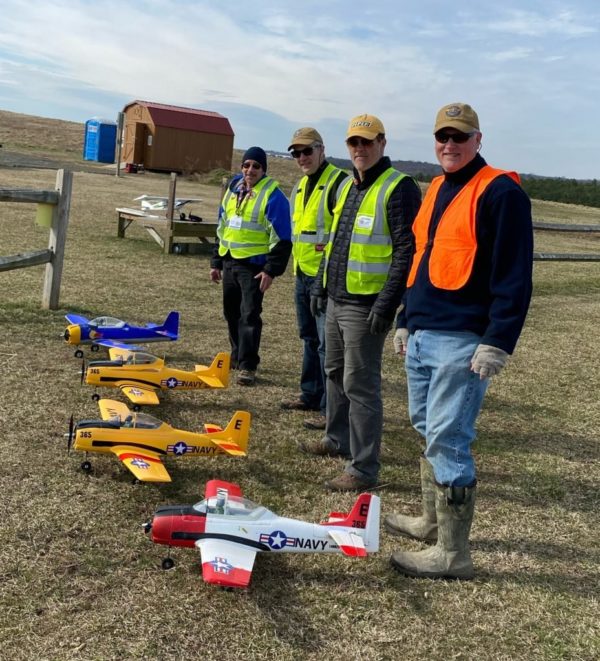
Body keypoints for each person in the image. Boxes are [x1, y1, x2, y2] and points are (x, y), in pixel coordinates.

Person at [386, 102, 533, 580]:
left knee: (449, 440)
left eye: (460, 136)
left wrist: (498, 341)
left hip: (463, 340)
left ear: (478, 139)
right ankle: (431, 522)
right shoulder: (436, 189)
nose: (449, 145)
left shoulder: (500, 193)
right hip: (424, 333)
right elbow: (423, 259)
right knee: (427, 428)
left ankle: (453, 554)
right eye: (442, 136)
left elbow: (515, 274)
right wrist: (407, 316)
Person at [299, 114, 421, 491]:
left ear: (382, 143)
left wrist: (387, 305)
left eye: (367, 142)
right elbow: (336, 242)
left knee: (360, 384)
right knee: (334, 372)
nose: (359, 149)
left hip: (365, 306)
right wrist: (321, 285)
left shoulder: (398, 187)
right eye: (354, 143)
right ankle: (337, 440)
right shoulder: (350, 185)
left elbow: (406, 251)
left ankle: (364, 468)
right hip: (336, 299)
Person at [280, 127, 347, 430]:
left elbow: (341, 236)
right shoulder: (299, 187)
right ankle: (310, 393)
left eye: (307, 151)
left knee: (326, 346)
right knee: (308, 338)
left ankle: (328, 408)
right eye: (296, 153)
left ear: (322, 149)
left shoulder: (339, 183)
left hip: (325, 279)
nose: (302, 157)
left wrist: (324, 276)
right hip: (302, 274)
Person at [210, 147, 292, 386]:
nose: (250, 170)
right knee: (231, 313)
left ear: (263, 169)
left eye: (256, 166)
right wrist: (216, 262)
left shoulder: (273, 195)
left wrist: (271, 270)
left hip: (253, 268)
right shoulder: (233, 189)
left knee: (249, 315)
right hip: (230, 261)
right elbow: (222, 227)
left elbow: (283, 237)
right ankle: (236, 356)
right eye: (246, 165)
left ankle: (248, 366)